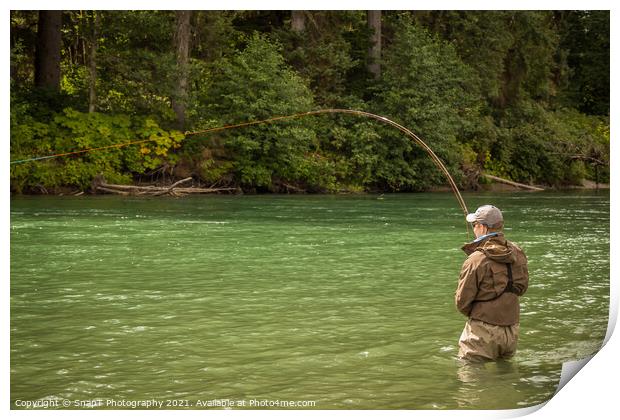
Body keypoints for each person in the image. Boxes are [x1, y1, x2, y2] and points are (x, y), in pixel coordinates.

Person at [455, 204, 529, 362]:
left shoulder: (476, 259)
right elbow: (522, 289)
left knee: (471, 379)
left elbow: (462, 302)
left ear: (482, 227)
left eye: (475, 225)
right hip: (512, 330)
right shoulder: (518, 252)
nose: (474, 228)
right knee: (506, 378)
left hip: (482, 332)